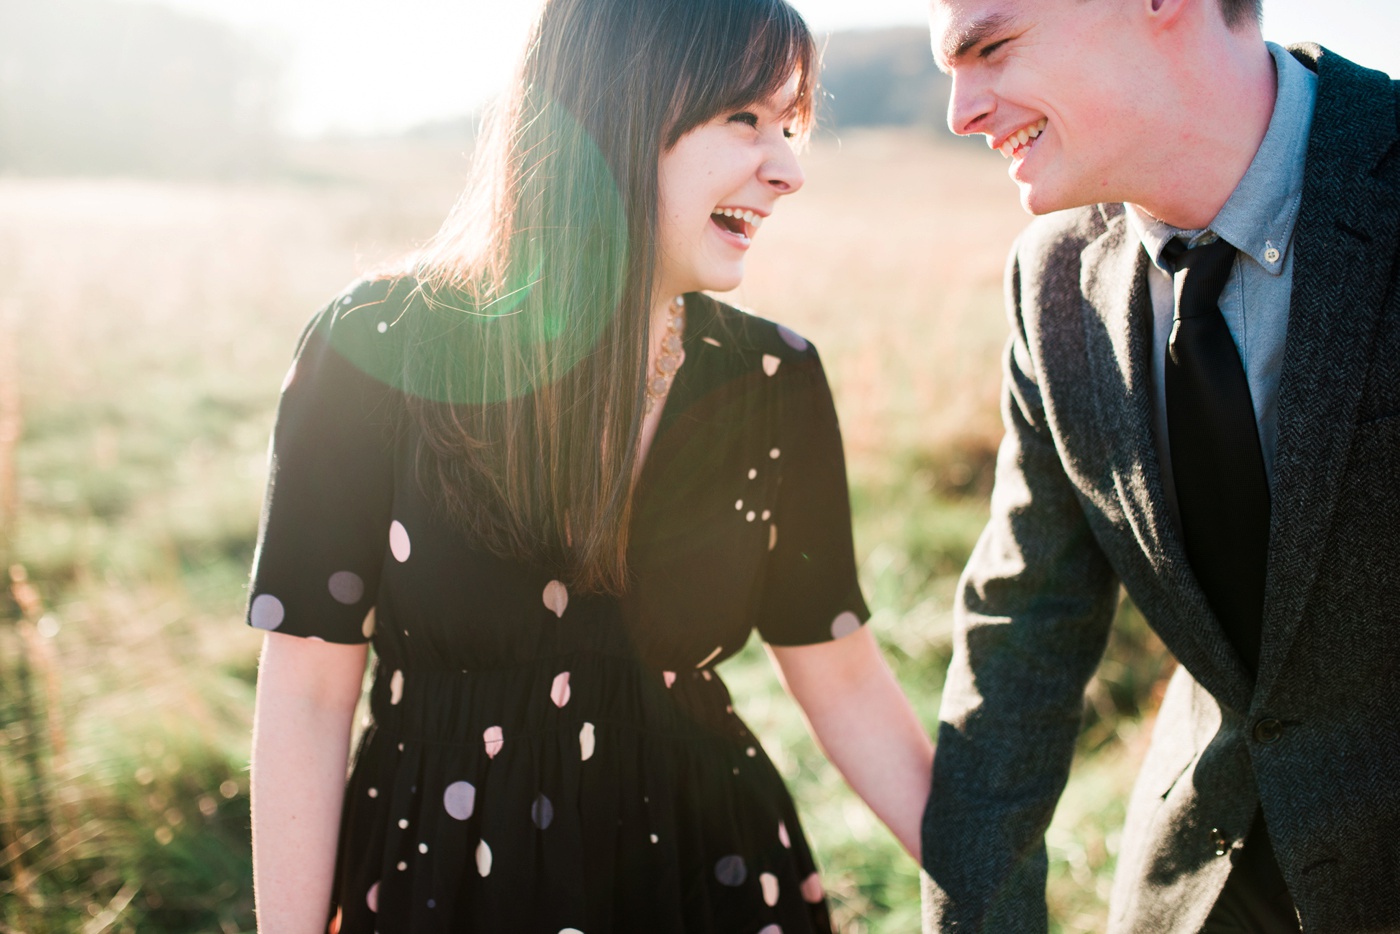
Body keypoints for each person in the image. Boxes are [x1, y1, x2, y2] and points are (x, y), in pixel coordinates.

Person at [245, 0, 933, 931]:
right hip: (442, 882)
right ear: (618, 105)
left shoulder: (775, 381)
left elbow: (844, 676)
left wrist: (992, 885)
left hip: (706, 880)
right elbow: (308, 689)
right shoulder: (379, 345)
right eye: (746, 119)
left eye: (791, 126)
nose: (788, 169)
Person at [921, 0, 1400, 931]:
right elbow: (1023, 633)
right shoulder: (1049, 279)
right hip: (1191, 896)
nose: (961, 110)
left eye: (992, 48)